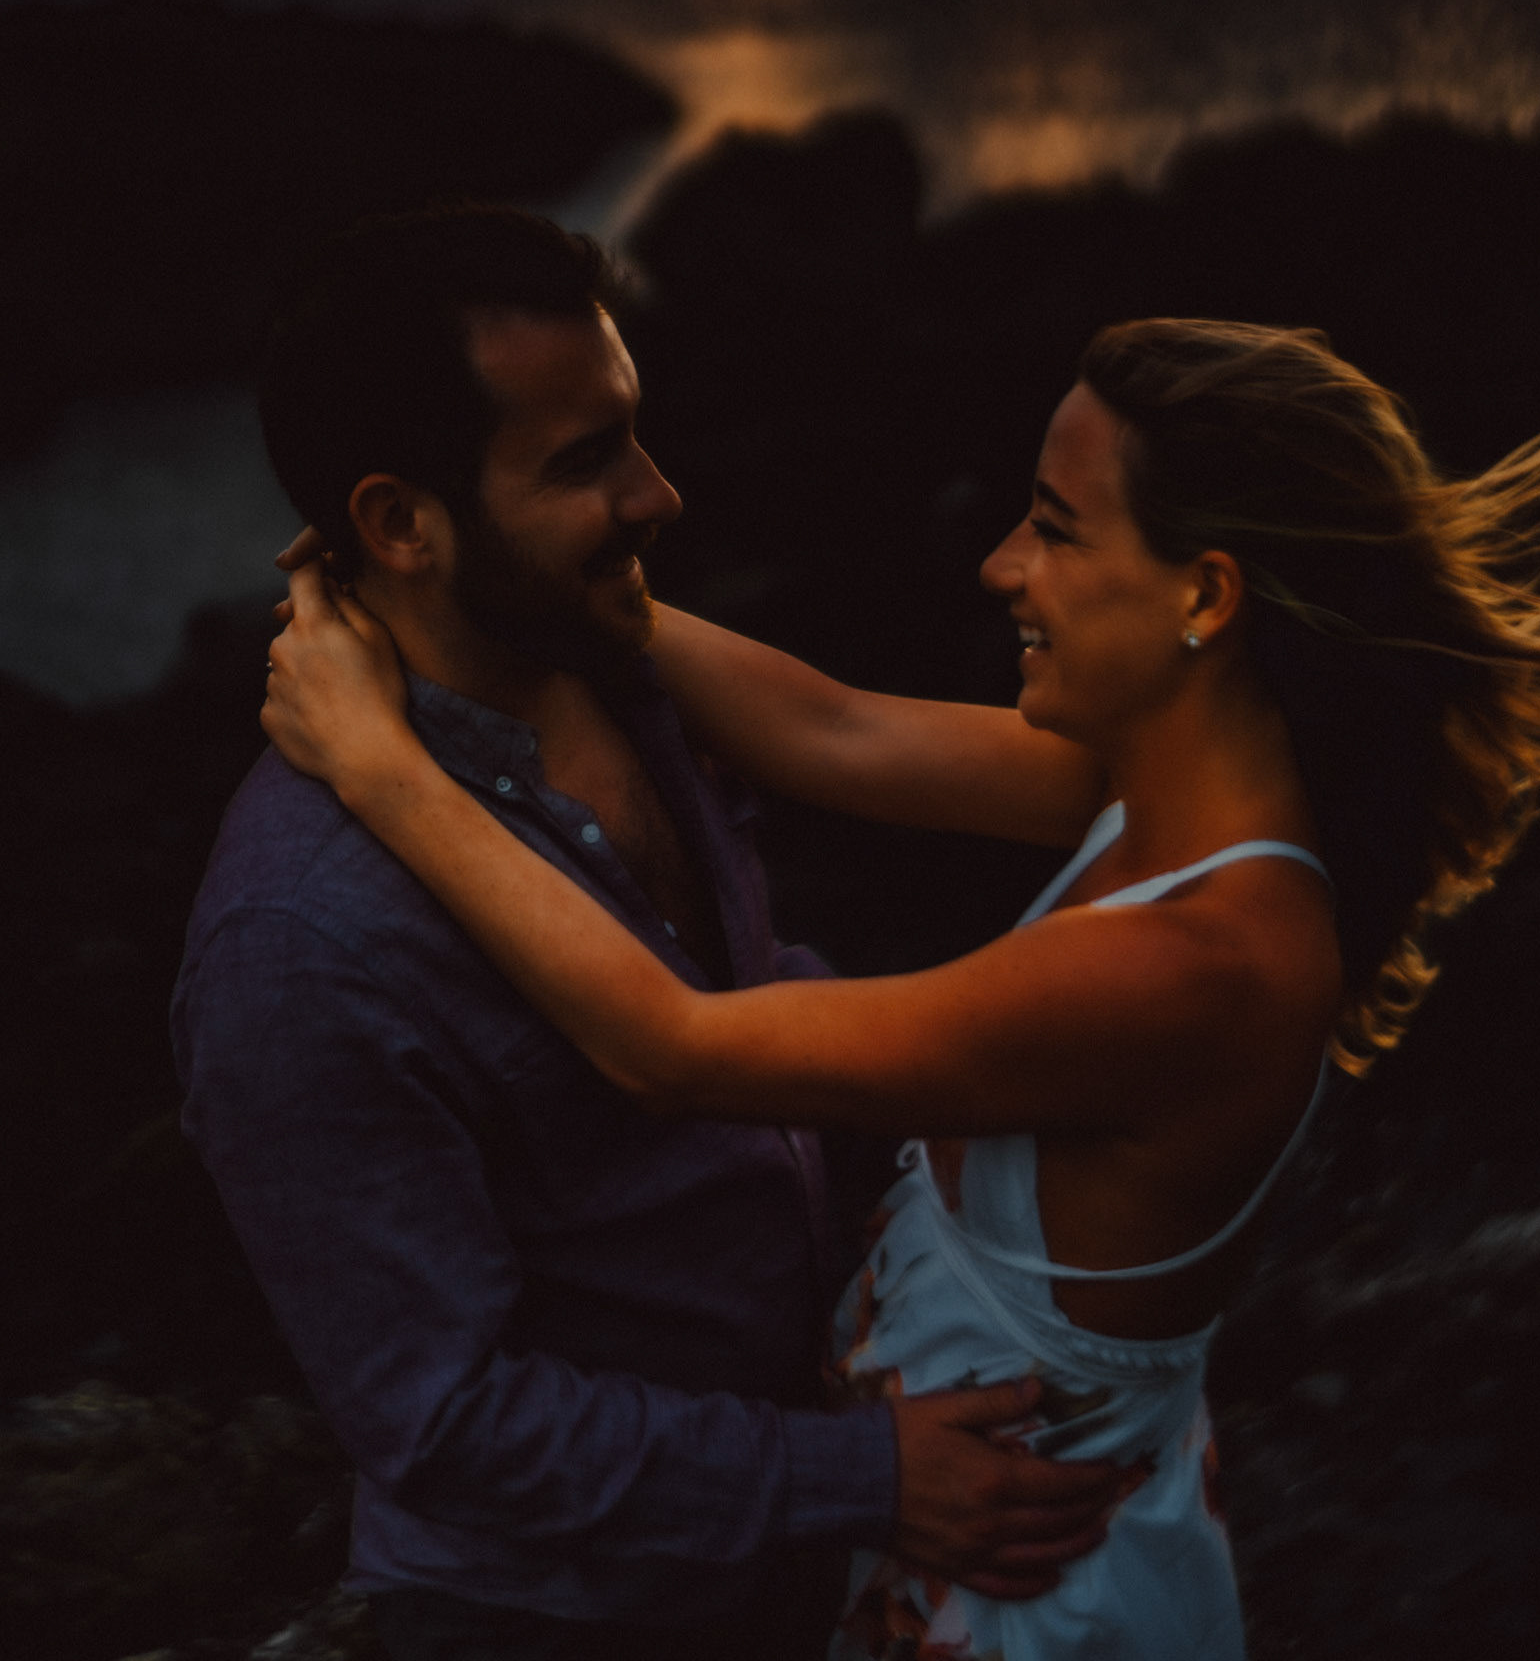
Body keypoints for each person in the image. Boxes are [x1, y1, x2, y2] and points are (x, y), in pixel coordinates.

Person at [263, 314, 1540, 1661]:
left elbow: (667, 1045)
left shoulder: (1192, 965)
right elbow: (830, 728)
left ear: (1203, 596)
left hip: (1034, 1602)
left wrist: (380, 765)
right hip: (978, 1549)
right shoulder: (1166, 802)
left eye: (1053, 526)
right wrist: (524, 570)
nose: (998, 566)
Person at [174, 206, 1129, 1661]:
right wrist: (865, 1477)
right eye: (580, 462)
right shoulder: (301, 939)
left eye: (631, 430)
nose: (658, 495)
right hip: (572, 1624)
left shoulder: (633, 679)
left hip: (815, 1551)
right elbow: (444, 1419)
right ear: (396, 525)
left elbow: (757, 984)